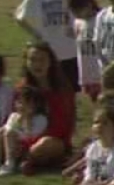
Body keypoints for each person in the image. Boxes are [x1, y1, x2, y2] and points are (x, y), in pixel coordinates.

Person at [14, 0, 77, 87]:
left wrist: (77, 31)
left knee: (69, 92)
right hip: (47, 57)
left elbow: (88, 17)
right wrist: (35, 34)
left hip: (70, 54)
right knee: (46, 91)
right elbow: (19, 17)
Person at [12, 42, 76, 171]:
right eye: (33, 60)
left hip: (52, 141)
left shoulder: (61, 89)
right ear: (26, 62)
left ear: (50, 62)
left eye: (42, 60)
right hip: (24, 138)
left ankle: (26, 160)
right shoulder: (22, 88)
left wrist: (33, 142)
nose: (37, 64)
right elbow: (14, 118)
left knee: (46, 144)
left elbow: (62, 127)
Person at [0, 87, 46, 176]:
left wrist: (27, 120)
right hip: (8, 144)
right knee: (0, 131)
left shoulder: (40, 119)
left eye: (26, 103)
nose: (21, 106)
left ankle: (9, 164)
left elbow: (32, 136)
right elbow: (7, 129)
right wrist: (19, 120)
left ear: (35, 105)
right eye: (19, 102)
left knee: (9, 133)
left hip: (24, 147)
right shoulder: (14, 116)